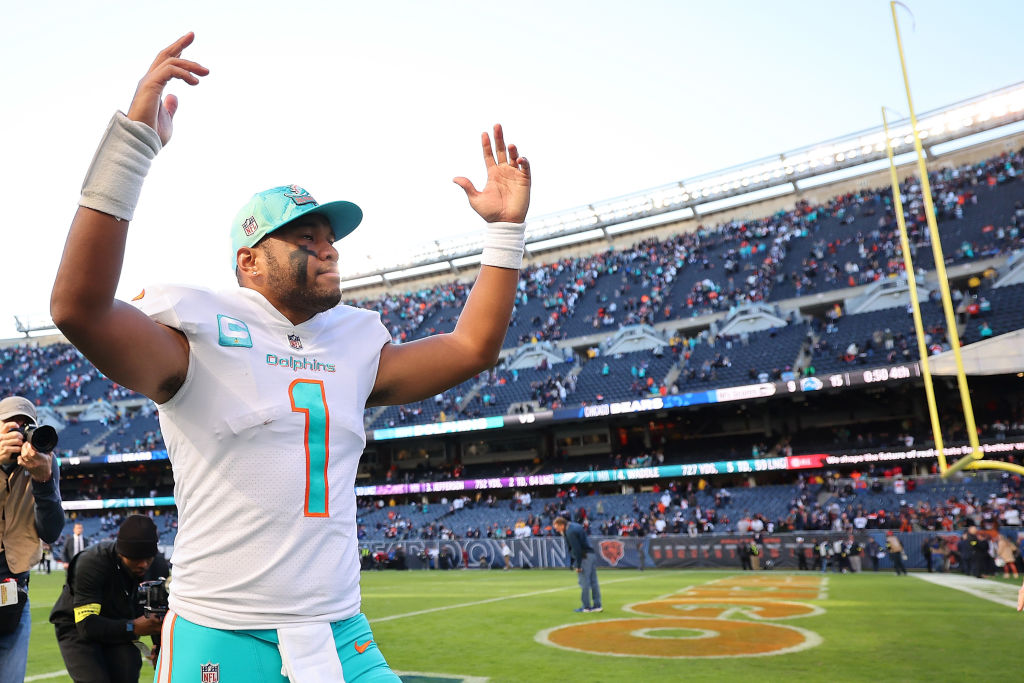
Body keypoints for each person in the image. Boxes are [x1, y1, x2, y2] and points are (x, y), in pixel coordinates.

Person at [49, 33, 531, 682]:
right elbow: (78, 307)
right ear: (249, 260)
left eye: (330, 237)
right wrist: (133, 144)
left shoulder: (354, 341)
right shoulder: (200, 329)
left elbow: (474, 348)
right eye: (306, 237)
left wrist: (504, 231)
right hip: (223, 627)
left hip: (340, 628)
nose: (328, 248)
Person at [50, 515, 171, 682]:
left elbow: (159, 613)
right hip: (77, 625)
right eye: (136, 559)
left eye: (148, 558)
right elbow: (87, 626)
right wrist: (133, 627)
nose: (143, 564)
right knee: (94, 679)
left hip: (120, 621)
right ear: (121, 554)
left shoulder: (158, 566)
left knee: (128, 672)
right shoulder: (91, 563)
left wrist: (160, 648)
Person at [0, 396, 65, 681]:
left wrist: (43, 481)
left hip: (14, 595)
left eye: (28, 426)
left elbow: (51, 531)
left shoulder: (45, 464)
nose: (21, 432)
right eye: (12, 425)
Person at [553, 517, 602, 613]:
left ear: (561, 525)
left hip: (584, 557)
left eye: (557, 528)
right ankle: (597, 605)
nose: (556, 530)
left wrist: (578, 565)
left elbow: (577, 549)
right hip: (591, 554)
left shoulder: (570, 532)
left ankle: (586, 606)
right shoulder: (575, 526)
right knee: (594, 581)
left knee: (584, 582)